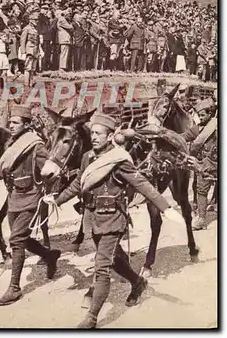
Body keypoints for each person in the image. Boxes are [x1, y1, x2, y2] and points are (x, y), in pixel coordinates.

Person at [45, 112, 183, 329]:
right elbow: (78, 184)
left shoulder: (118, 160)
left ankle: (91, 318)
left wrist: (165, 208)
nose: (95, 137)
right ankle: (138, 282)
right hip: (92, 218)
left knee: (101, 267)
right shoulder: (87, 157)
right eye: (93, 133)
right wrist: (57, 200)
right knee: (114, 260)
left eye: (99, 134)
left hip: (112, 219)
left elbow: (142, 185)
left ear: (110, 136)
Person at [0, 105, 61, 306]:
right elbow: (1, 170)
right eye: (10, 122)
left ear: (27, 125)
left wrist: (47, 191)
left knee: (17, 241)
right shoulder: (12, 142)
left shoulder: (36, 145)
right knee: (23, 239)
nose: (10, 125)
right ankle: (50, 255)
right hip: (13, 197)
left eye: (15, 122)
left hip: (30, 198)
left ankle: (14, 288)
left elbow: (51, 170)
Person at [188, 98, 217, 230]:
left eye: (203, 115)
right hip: (205, 164)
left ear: (210, 114)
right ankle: (202, 219)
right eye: (199, 115)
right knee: (201, 191)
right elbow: (185, 135)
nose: (200, 118)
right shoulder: (198, 127)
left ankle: (202, 219)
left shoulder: (215, 126)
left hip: (213, 163)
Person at [20, 11, 41, 87]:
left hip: (35, 50)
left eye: (37, 20)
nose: (37, 21)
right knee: (28, 67)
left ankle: (31, 83)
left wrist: (39, 50)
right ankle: (26, 84)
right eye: (35, 20)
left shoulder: (36, 29)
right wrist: (23, 52)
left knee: (33, 68)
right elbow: (22, 40)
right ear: (30, 20)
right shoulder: (26, 28)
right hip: (29, 50)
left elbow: (37, 41)